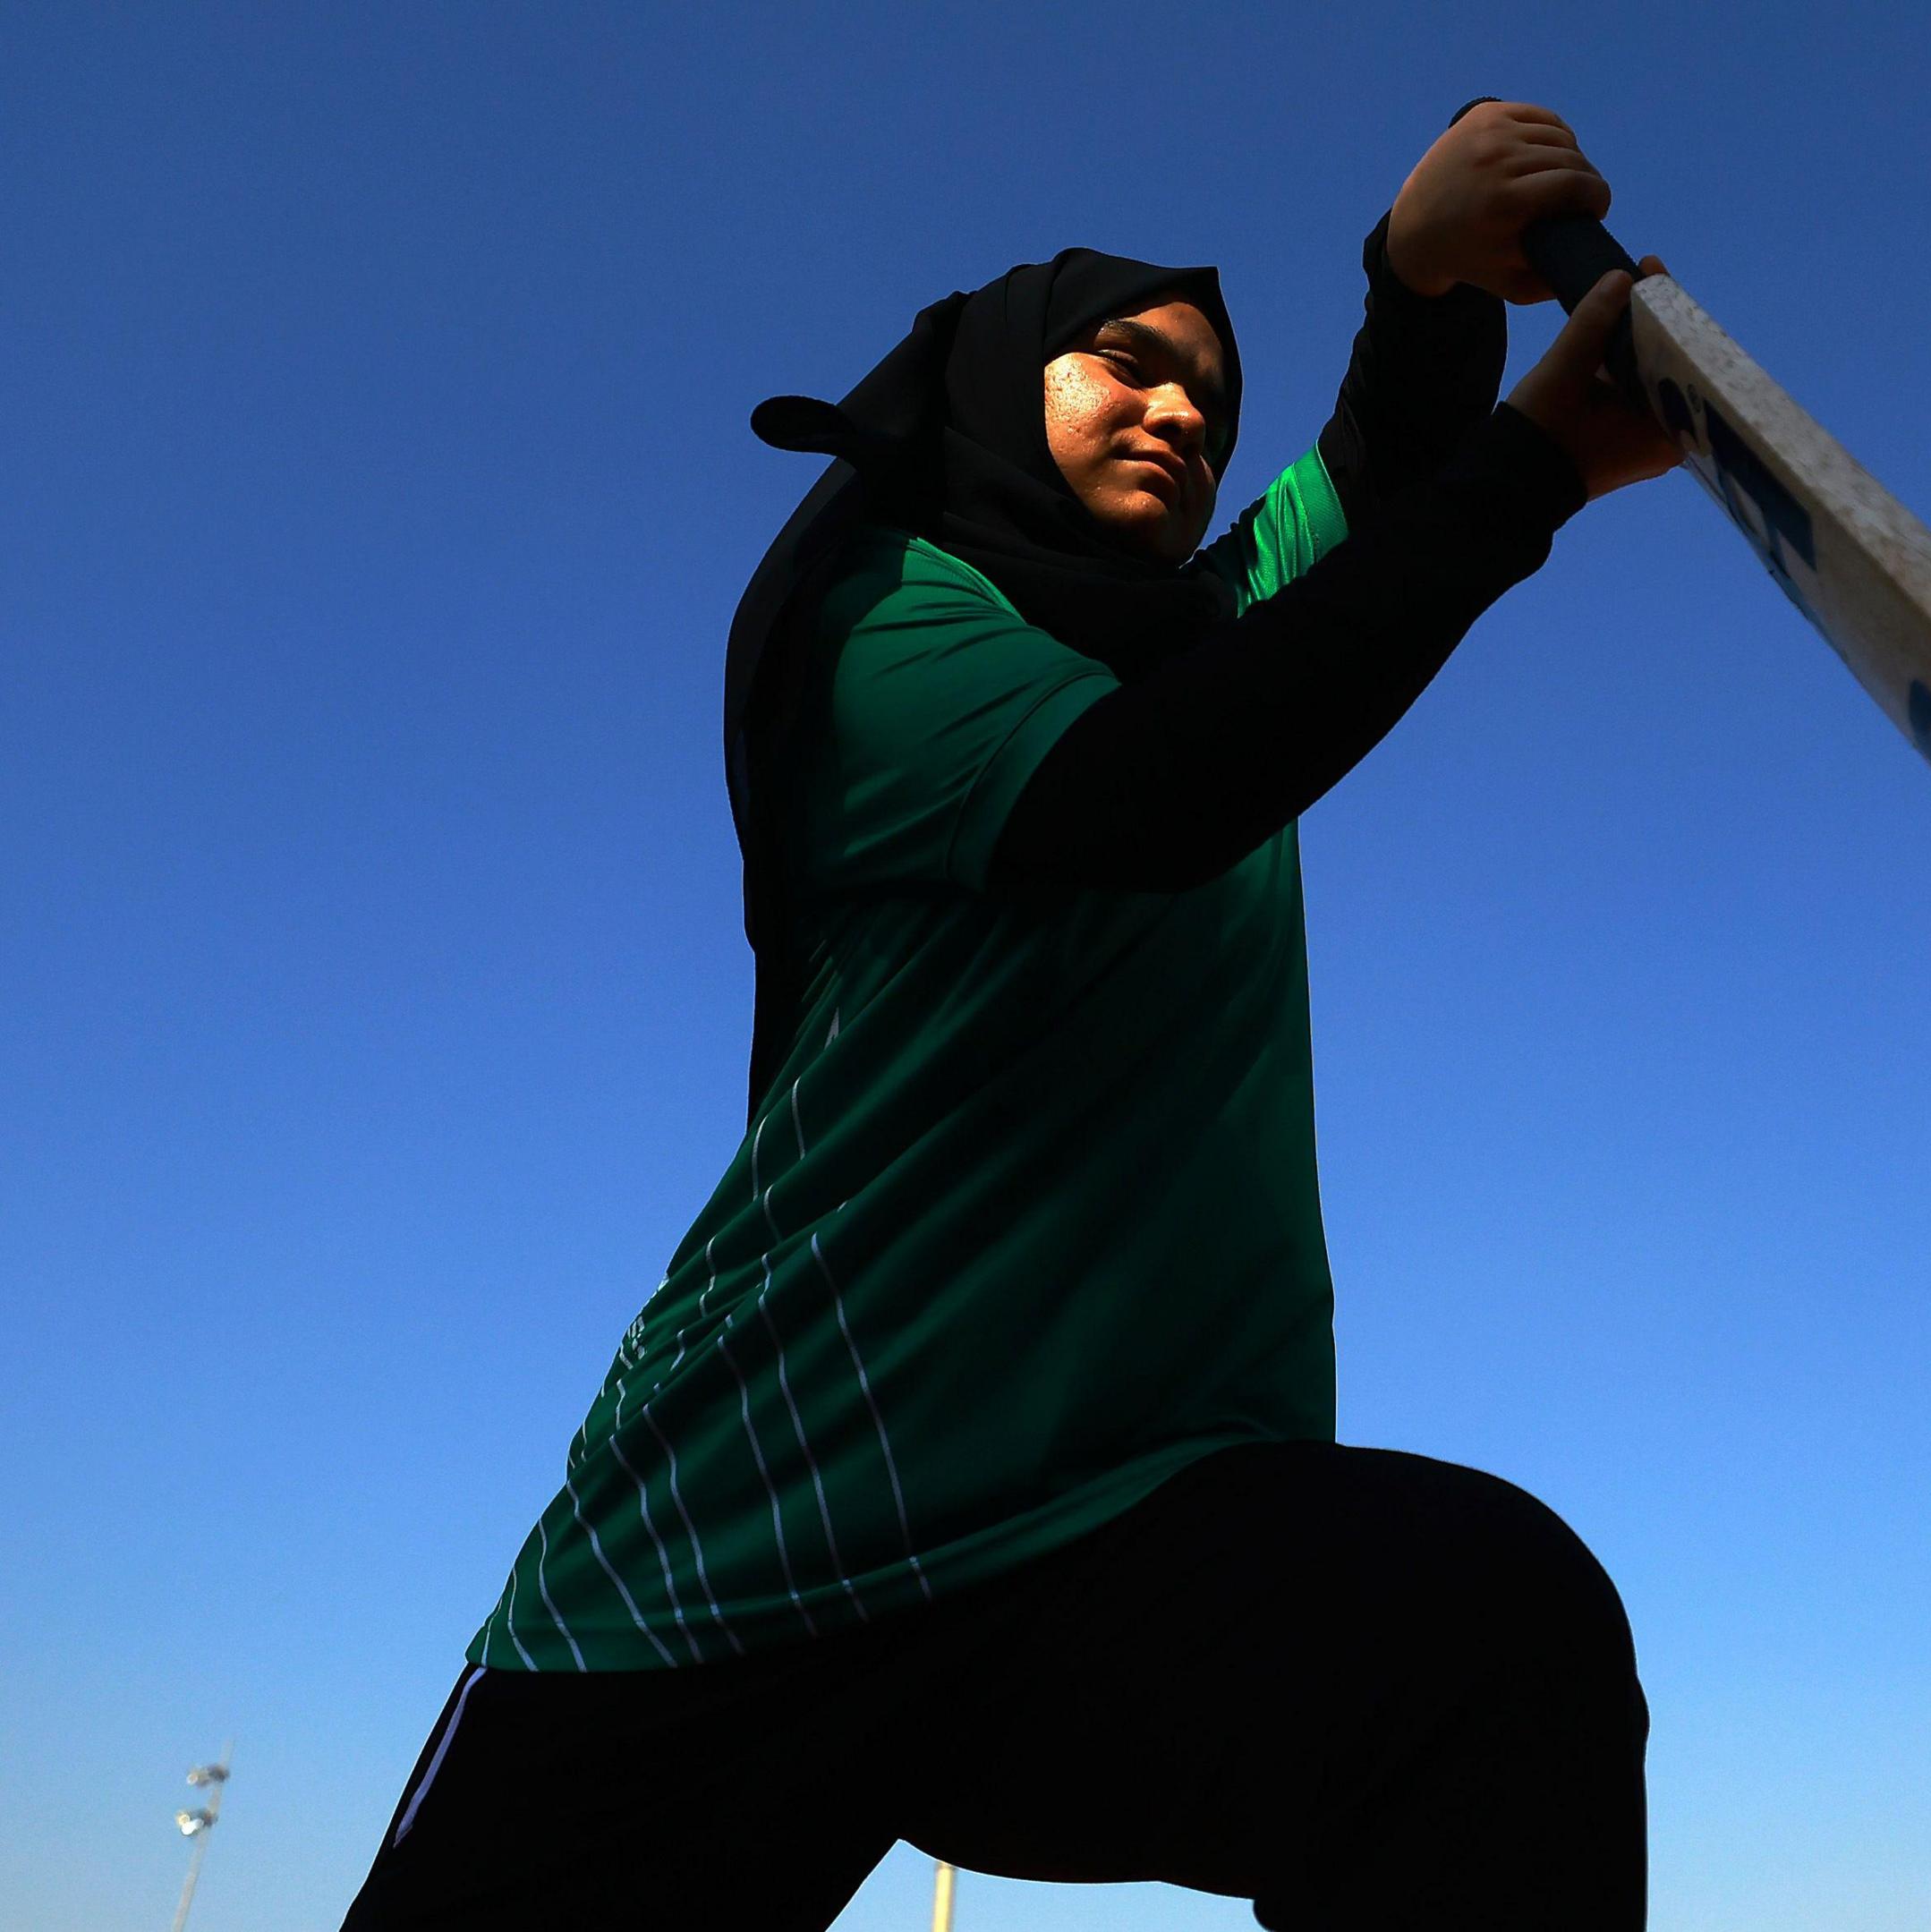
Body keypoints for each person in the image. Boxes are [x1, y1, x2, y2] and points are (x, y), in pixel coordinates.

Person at [341, 101, 1680, 1932]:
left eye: (1211, 391)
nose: (1190, 414)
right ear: (989, 384)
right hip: (746, 1555)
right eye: (1125, 363)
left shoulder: (1218, 634)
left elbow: (1373, 477)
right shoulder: (887, 622)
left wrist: (1419, 272)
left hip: (1091, 1545)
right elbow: (1155, 792)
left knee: (1474, 1626)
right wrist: (1525, 479)